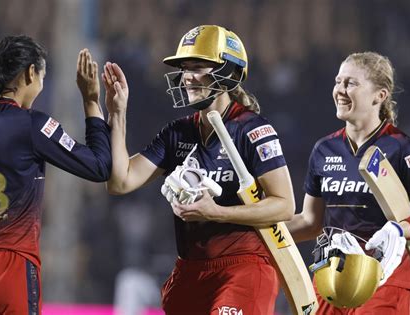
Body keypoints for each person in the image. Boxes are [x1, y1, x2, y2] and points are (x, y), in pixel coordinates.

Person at [103, 25, 295, 314]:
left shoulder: (253, 130)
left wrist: (217, 212)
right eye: (184, 68)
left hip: (243, 269)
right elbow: (121, 182)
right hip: (189, 272)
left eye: (198, 67)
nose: (187, 76)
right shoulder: (177, 133)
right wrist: (117, 114)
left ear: (228, 73)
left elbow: (284, 206)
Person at [0, 35, 112, 314]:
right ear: (30, 73)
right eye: (43, 76)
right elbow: (99, 166)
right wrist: (91, 102)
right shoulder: (32, 125)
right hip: (4, 267)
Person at [286, 51, 410, 314]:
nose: (340, 90)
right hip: (331, 279)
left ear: (379, 95)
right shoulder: (324, 149)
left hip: (385, 280)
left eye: (351, 83)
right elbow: (310, 222)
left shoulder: (403, 149)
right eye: (338, 82)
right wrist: (254, 232)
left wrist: (399, 229)